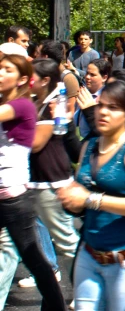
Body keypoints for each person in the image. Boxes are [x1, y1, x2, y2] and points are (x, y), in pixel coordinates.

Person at [57, 79, 125, 309]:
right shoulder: (89, 146)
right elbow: (81, 195)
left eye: (113, 108)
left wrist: (90, 200)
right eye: (100, 105)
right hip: (90, 253)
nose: (103, 111)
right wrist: (71, 200)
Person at [0, 54, 67, 310]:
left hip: (15, 199)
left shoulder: (22, 106)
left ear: (23, 80)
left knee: (34, 260)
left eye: (7, 70)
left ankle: (56, 306)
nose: (0, 73)